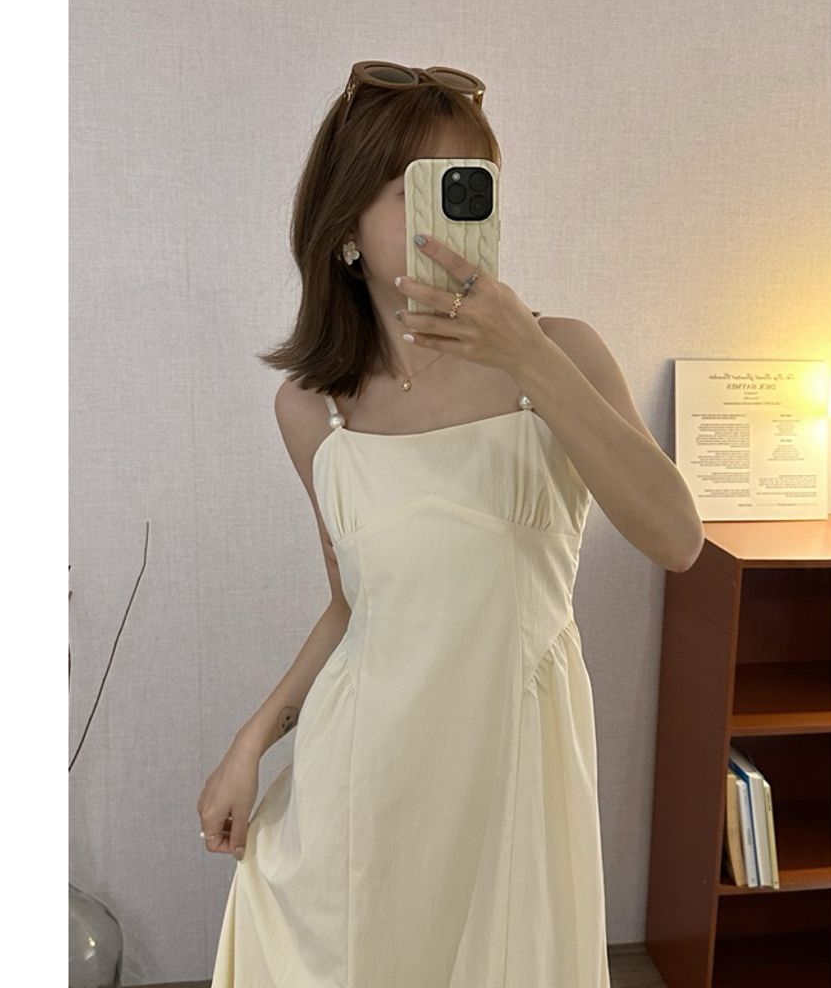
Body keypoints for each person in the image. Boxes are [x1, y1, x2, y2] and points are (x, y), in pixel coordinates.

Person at [199, 61, 703, 988]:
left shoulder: (561, 353)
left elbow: (677, 538)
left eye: (471, 181)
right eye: (416, 186)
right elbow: (354, 608)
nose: (452, 206)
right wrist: (252, 742)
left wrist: (530, 358)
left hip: (512, 773)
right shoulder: (314, 410)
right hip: (365, 786)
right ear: (345, 227)